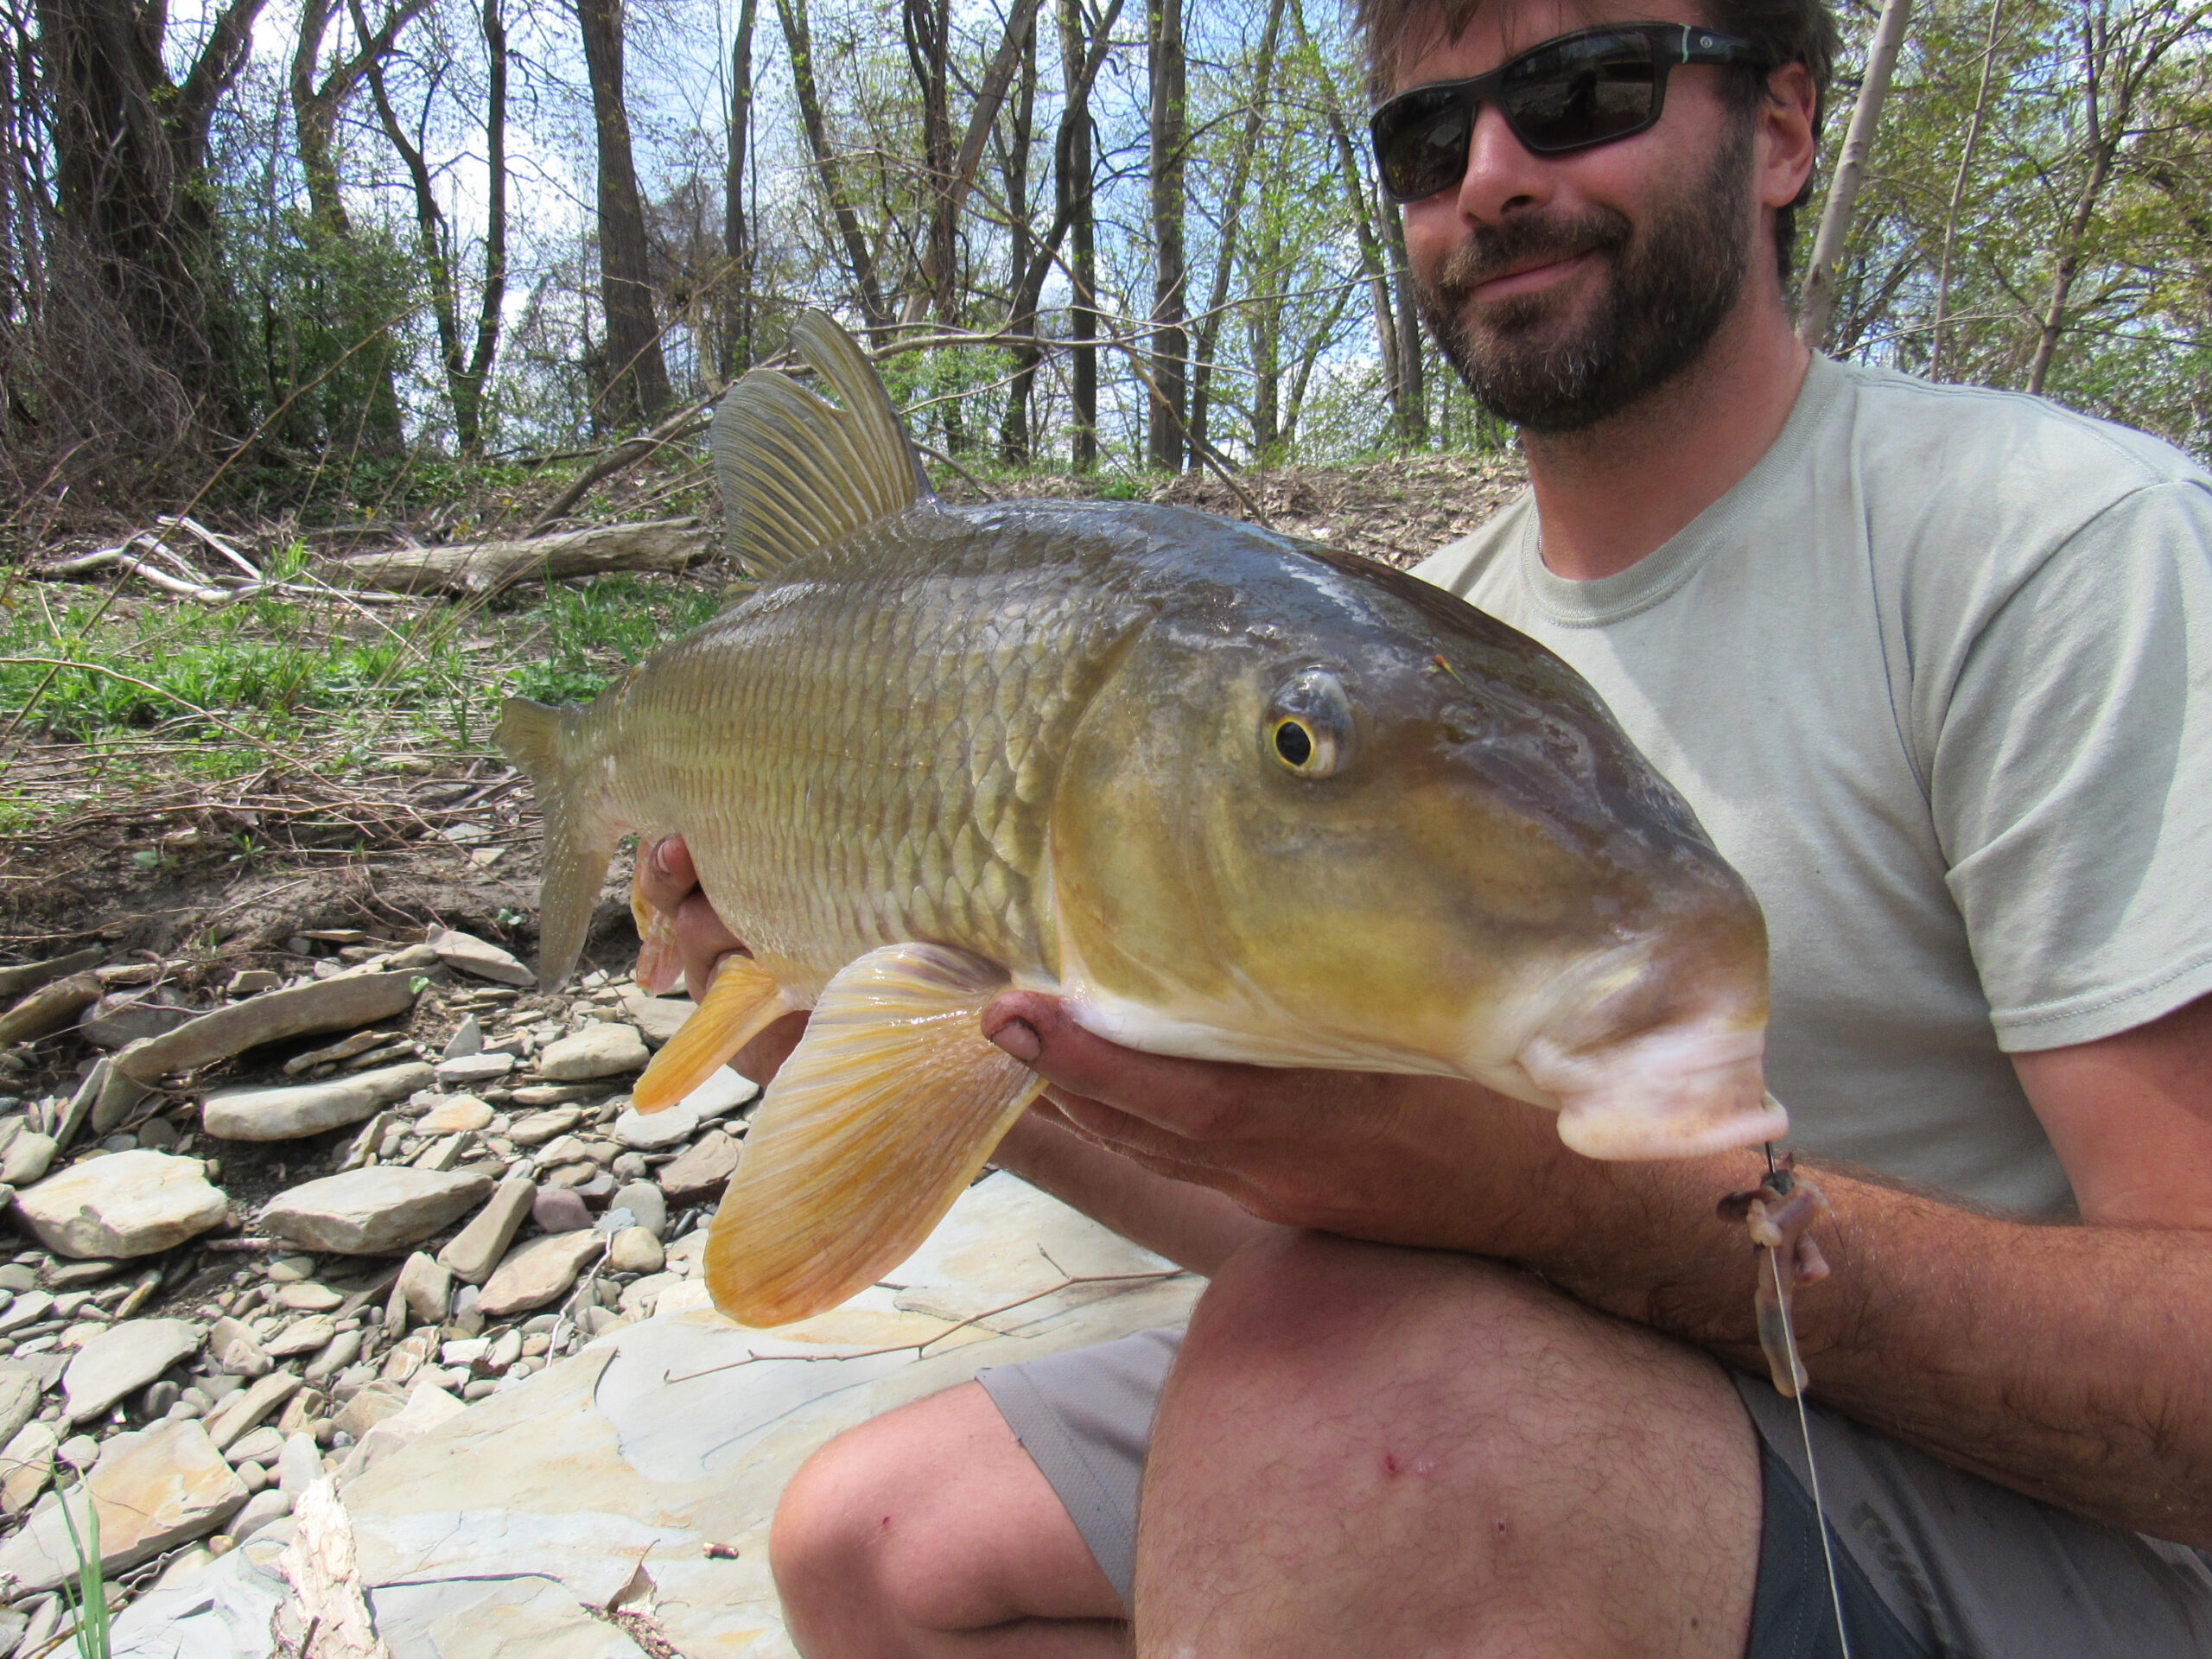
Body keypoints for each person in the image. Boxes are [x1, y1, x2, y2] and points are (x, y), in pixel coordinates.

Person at [637, 0, 2212, 1649]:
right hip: (1575, 1365)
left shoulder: (2059, 554)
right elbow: (1338, 1193)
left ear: (1780, 131)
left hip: (2029, 1509)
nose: (1494, 175)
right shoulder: (1412, 627)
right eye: (1429, 136)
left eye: (1585, 89)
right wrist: (943, 1051)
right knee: (876, 1542)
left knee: (1344, 1442)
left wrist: (1567, 1208)